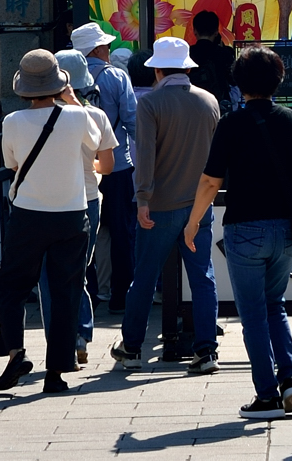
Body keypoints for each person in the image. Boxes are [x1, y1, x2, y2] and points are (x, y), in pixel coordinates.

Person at [183, 44, 292, 420]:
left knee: (252, 314)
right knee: (275, 305)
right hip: (287, 230)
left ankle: (267, 396)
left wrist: (194, 221)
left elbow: (210, 181)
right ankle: (290, 380)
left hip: (244, 228)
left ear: (239, 82)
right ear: (278, 79)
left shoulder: (231, 124)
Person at [0, 50, 114, 395]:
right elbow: (98, 147)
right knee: (66, 291)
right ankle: (56, 371)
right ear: (58, 83)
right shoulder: (77, 116)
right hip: (72, 213)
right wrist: (72, 102)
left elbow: (13, 165)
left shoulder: (12, 122)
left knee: (12, 286)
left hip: (28, 213)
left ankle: (16, 351)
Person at [111, 35, 222, 373]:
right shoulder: (209, 101)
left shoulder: (150, 103)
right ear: (187, 69)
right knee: (202, 277)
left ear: (157, 71)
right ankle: (206, 350)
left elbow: (145, 154)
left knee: (145, 277)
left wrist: (142, 198)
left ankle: (132, 347)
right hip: (199, 205)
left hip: (159, 205)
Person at [38, 47, 113, 364]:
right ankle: (80, 334)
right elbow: (107, 166)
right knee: (78, 270)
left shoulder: (36, 116)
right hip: (88, 198)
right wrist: (89, 166)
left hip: (46, 202)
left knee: (47, 275)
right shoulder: (96, 116)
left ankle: (58, 341)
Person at [73, 21, 140, 309]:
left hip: (80, 166)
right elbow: (132, 120)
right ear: (97, 49)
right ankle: (121, 295)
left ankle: (88, 294)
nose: (109, 50)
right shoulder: (116, 76)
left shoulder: (66, 79)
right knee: (122, 230)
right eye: (106, 46)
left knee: (84, 230)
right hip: (118, 163)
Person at [189, 9, 237, 113]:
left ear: (194, 31)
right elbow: (234, 82)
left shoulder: (188, 53)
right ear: (216, 32)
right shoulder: (225, 53)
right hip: (219, 108)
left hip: (192, 106)